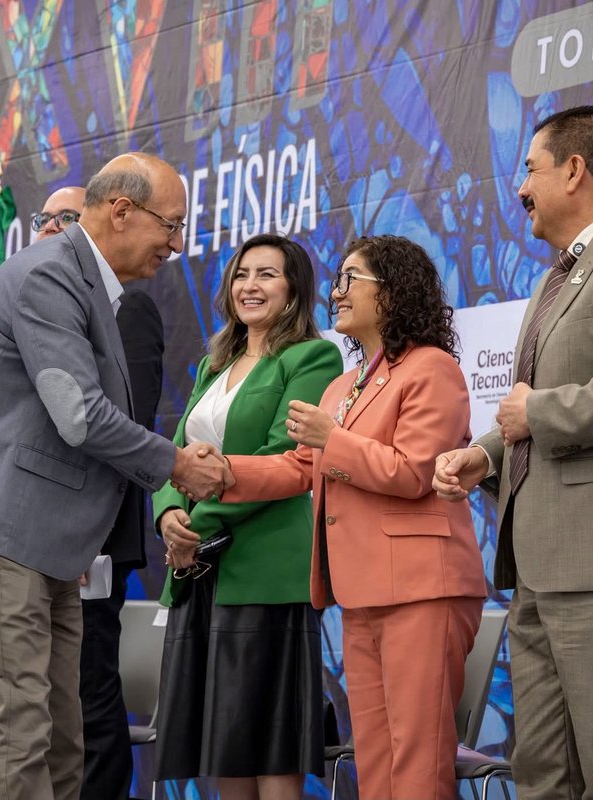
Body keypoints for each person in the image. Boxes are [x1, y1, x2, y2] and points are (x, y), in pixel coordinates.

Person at [0, 152, 225, 800]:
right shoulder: (50, 274)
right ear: (122, 211)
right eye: (172, 224)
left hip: (44, 538)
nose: (177, 243)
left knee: (61, 733)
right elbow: (79, 415)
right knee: (18, 727)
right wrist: (176, 463)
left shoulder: (93, 285)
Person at [433, 105, 593, 800]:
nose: (520, 188)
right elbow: (536, 411)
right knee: (542, 772)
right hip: (542, 563)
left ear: (574, 170)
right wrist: (484, 456)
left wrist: (537, 412)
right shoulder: (559, 276)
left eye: (530, 169)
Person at [209, 235, 487, 799]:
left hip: (422, 589)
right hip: (361, 592)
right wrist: (217, 473)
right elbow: (296, 468)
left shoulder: (432, 370)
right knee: (376, 761)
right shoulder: (345, 383)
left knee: (417, 762)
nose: (335, 293)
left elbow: (413, 471)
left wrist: (332, 439)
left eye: (349, 280)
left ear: (391, 291)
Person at [152, 233, 342, 799]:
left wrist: (196, 527)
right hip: (199, 575)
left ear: (293, 290)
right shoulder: (216, 363)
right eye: (242, 274)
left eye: (267, 274)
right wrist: (168, 519)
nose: (250, 286)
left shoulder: (311, 357)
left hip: (263, 576)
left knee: (267, 744)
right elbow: (177, 459)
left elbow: (289, 462)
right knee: (223, 744)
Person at [34, 184, 166, 800]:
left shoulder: (127, 311)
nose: (49, 230)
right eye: (43, 220)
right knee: (43, 704)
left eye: (64, 218)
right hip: (34, 536)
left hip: (94, 539)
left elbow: (121, 419)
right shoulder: (39, 304)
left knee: (88, 697)